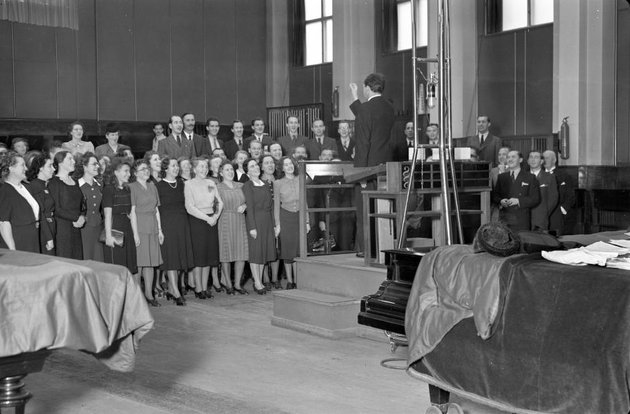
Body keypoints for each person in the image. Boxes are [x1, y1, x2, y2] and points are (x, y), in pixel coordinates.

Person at [349, 73, 396, 256]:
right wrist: (355, 98)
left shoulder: (367, 109)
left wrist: (361, 174)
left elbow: (363, 143)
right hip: (386, 167)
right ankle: (381, 246)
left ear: (367, 87)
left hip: (368, 168)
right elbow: (368, 115)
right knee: (383, 209)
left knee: (364, 210)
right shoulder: (389, 107)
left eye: (363, 89)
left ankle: (365, 249)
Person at [155, 157, 194, 305]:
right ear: (165, 169)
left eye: (177, 165)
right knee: (171, 257)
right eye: (173, 166)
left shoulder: (182, 184)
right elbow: (156, 209)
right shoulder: (158, 186)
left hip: (182, 223)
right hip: (167, 224)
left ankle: (172, 288)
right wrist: (159, 229)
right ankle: (175, 291)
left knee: (179, 257)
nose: (176, 168)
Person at [184, 157, 223, 299]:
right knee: (199, 256)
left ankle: (205, 287)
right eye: (201, 166)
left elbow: (219, 202)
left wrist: (215, 217)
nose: (204, 169)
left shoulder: (211, 183)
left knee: (209, 256)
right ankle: (198, 288)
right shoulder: (188, 184)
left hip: (212, 221)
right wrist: (208, 218)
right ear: (194, 169)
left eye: (206, 166)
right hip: (197, 222)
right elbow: (190, 207)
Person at [129, 159, 164, 307]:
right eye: (142, 169)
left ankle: (149, 294)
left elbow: (156, 209)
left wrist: (160, 230)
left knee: (150, 263)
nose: (146, 171)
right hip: (140, 226)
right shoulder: (131, 187)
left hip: (152, 226)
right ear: (135, 173)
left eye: (147, 168)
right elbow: (132, 212)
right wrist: (135, 234)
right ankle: (138, 296)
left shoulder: (152, 186)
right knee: (139, 264)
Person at [274, 156, 310, 289]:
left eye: (291, 164)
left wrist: (307, 221)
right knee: (288, 251)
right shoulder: (278, 183)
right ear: (282, 168)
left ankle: (298, 280)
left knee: (298, 250)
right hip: (286, 218)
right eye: (286, 165)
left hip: (299, 217)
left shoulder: (301, 179)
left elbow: (304, 201)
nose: (289, 166)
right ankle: (290, 281)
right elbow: (277, 205)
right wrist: (277, 225)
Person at [244, 158, 277, 293]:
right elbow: (250, 207)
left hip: (267, 221)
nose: (256, 168)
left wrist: (274, 224)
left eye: (256, 166)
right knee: (255, 252)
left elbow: (271, 205)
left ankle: (260, 281)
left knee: (263, 251)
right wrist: (252, 227)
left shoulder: (265, 183)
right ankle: (257, 282)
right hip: (255, 220)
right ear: (247, 171)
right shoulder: (247, 185)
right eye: (252, 166)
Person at [217, 161, 249, 295]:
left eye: (231, 170)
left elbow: (249, 200)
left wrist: (245, 205)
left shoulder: (241, 185)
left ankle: (237, 284)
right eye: (227, 170)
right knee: (226, 252)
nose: (230, 172)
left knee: (241, 252)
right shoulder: (217, 187)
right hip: (225, 220)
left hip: (240, 220)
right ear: (221, 173)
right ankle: (227, 283)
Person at [102, 157, 138, 275]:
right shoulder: (109, 189)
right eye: (125, 171)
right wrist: (108, 236)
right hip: (115, 227)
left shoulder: (128, 189)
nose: (129, 174)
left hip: (127, 228)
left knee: (128, 265)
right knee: (116, 266)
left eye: (129, 171)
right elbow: (107, 215)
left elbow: (131, 213)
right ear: (116, 172)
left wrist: (135, 234)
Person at [0, 152, 40, 253]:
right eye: (22, 165)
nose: (26, 169)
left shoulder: (25, 187)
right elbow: (4, 223)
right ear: (11, 168)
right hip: (19, 243)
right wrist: (12, 251)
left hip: (31, 241)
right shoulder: (5, 191)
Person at [48, 151, 85, 259]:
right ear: (60, 162)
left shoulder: (74, 181)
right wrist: (76, 218)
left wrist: (82, 216)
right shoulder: (54, 183)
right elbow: (56, 208)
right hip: (62, 229)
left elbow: (82, 203)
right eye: (70, 159)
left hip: (76, 227)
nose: (73, 161)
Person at [492, 150, 540, 232]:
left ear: (520, 160)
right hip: (504, 219)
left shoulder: (530, 177)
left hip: (521, 220)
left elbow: (535, 198)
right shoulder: (502, 177)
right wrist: (501, 201)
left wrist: (518, 201)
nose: (510, 159)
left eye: (513, 157)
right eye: (508, 157)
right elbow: (495, 195)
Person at [26, 153, 56, 255]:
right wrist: (48, 237)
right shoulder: (35, 186)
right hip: (44, 232)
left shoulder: (45, 185)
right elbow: (40, 214)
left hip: (50, 226)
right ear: (40, 168)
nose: (53, 169)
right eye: (49, 166)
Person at [77, 152, 104, 261]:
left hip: (98, 228)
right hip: (83, 229)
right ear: (84, 166)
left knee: (99, 259)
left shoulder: (100, 185)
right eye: (94, 164)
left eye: (97, 164)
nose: (97, 166)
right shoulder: (76, 185)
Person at [260, 154, 281, 289]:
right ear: (261, 166)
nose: (270, 165)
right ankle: (265, 278)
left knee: (277, 247)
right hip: (263, 217)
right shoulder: (258, 181)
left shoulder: (279, 181)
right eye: (266, 163)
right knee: (265, 246)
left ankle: (275, 277)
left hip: (278, 216)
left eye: (272, 162)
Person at [543, 150, 576, 236]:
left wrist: (561, 210)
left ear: (554, 160)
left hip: (559, 215)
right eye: (543, 158)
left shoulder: (564, 175)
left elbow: (570, 195)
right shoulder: (538, 175)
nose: (544, 160)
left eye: (547, 158)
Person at [528, 150, 558, 231]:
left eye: (536, 157)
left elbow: (553, 199)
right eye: (531, 157)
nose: (533, 160)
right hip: (524, 220)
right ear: (527, 161)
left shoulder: (549, 177)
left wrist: (544, 213)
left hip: (541, 220)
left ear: (541, 161)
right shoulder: (522, 177)